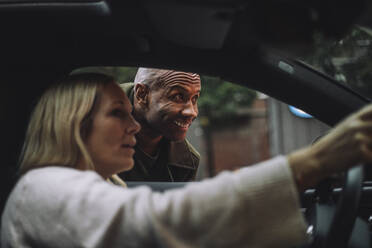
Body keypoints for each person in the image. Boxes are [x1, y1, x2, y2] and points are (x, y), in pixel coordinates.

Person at [2, 72, 372, 248]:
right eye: (118, 113)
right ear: (73, 124)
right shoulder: (42, 188)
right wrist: (311, 163)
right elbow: (154, 221)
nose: (134, 125)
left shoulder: (102, 183)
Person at [118, 68, 201, 182]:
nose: (192, 112)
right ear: (142, 94)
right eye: (177, 96)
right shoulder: (92, 122)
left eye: (194, 98)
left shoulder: (188, 162)